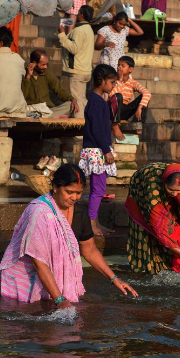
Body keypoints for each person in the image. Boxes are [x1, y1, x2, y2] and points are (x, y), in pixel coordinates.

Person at [0, 163, 137, 308]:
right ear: (55, 187)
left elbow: (89, 249)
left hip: (52, 283)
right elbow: (38, 261)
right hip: (27, 282)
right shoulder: (40, 213)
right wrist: (60, 300)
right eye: (69, 192)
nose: (74, 197)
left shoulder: (79, 212)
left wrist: (114, 278)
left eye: (78, 193)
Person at [125, 162, 180, 275]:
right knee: (147, 227)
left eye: (179, 191)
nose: (174, 194)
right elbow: (160, 231)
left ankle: (165, 259)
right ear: (164, 183)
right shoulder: (152, 189)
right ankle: (148, 268)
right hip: (140, 190)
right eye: (170, 190)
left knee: (168, 223)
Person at [79, 64, 117, 237]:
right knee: (98, 190)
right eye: (111, 82)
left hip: (97, 149)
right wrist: (106, 150)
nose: (113, 85)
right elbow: (97, 130)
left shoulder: (99, 101)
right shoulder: (95, 102)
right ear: (101, 81)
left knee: (98, 188)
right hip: (96, 150)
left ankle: (96, 222)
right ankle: (91, 225)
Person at [58, 5, 95, 118]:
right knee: (82, 100)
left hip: (77, 71)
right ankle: (84, 127)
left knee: (77, 102)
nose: (77, 15)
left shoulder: (80, 30)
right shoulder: (88, 29)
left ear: (82, 15)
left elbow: (74, 48)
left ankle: (79, 133)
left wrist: (61, 34)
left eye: (78, 12)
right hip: (84, 70)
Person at [22, 49, 79, 118]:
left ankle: (45, 117)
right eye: (43, 65)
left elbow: (60, 91)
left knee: (70, 105)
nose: (45, 67)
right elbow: (22, 96)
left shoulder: (47, 73)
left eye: (46, 64)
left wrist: (72, 99)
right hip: (31, 110)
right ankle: (46, 117)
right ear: (34, 63)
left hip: (47, 110)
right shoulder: (23, 74)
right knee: (23, 112)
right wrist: (28, 77)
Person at [109, 55, 151, 140]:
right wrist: (120, 80)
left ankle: (137, 124)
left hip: (124, 111)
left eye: (123, 66)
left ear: (130, 69)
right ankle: (114, 125)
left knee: (143, 98)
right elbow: (112, 95)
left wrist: (139, 107)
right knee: (118, 96)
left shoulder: (132, 83)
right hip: (113, 111)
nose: (119, 68)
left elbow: (147, 93)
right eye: (118, 65)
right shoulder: (113, 80)